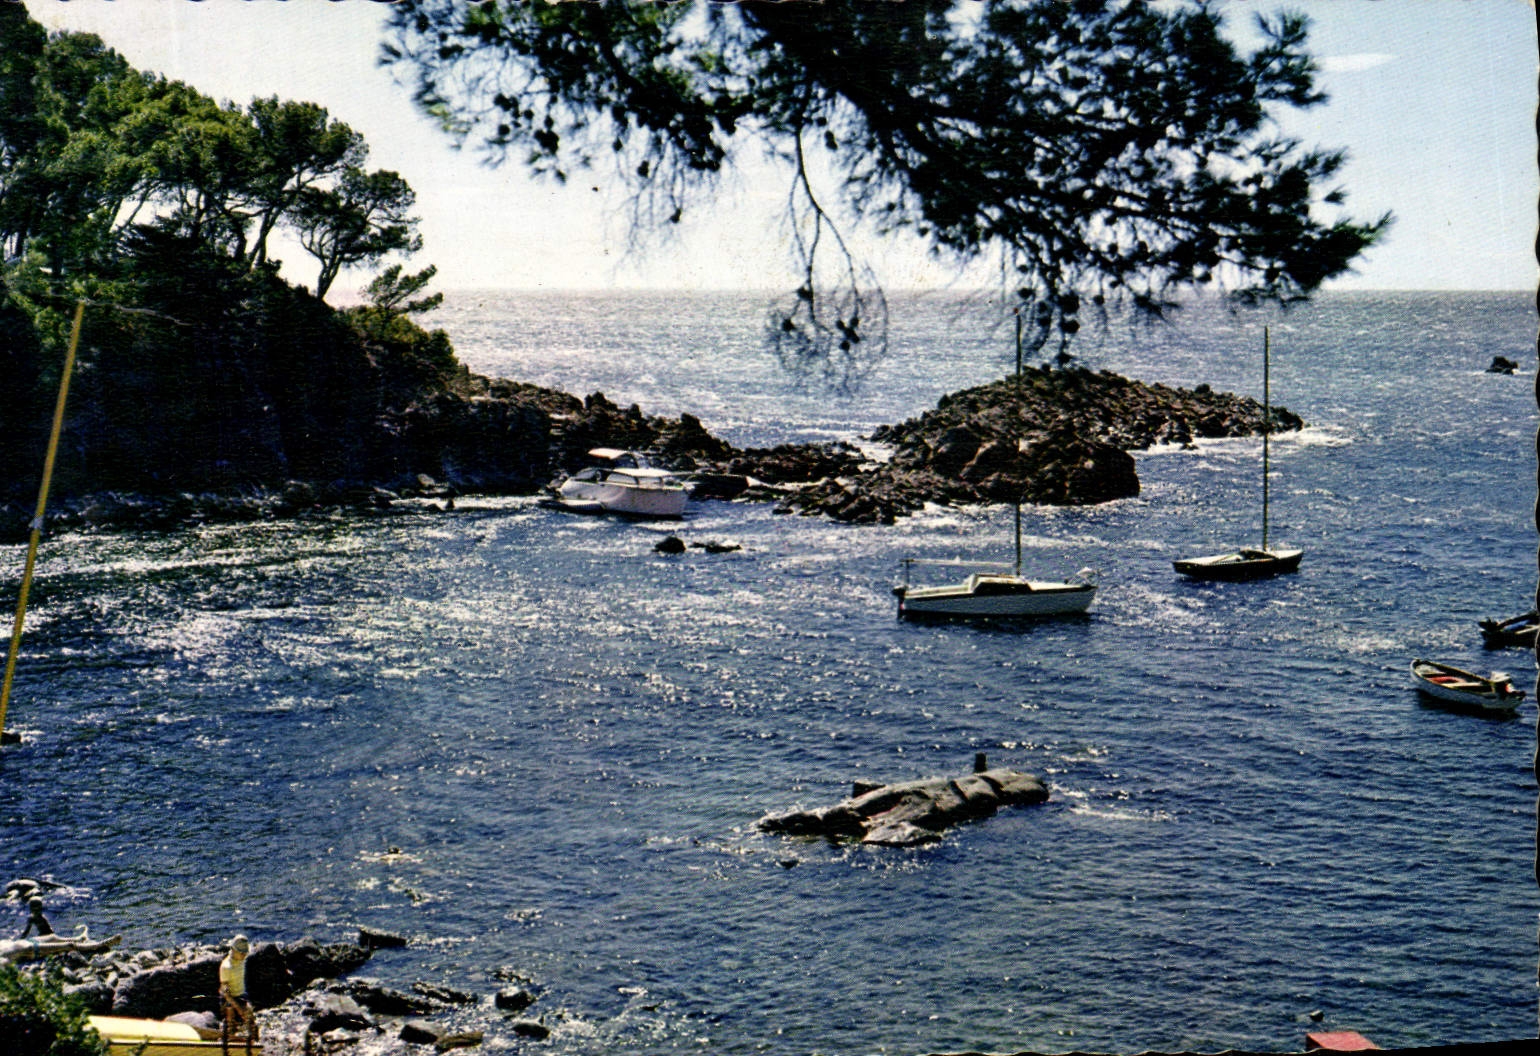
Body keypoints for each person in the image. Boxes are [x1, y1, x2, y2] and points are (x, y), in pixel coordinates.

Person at [219, 934, 258, 1043]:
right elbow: (225, 991)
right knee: (231, 1020)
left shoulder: (242, 960)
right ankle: (230, 1044)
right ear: (233, 950)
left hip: (241, 994)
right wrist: (238, 1008)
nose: (244, 955)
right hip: (229, 998)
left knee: (251, 1020)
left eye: (245, 953)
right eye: (241, 953)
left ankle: (254, 1044)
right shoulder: (226, 966)